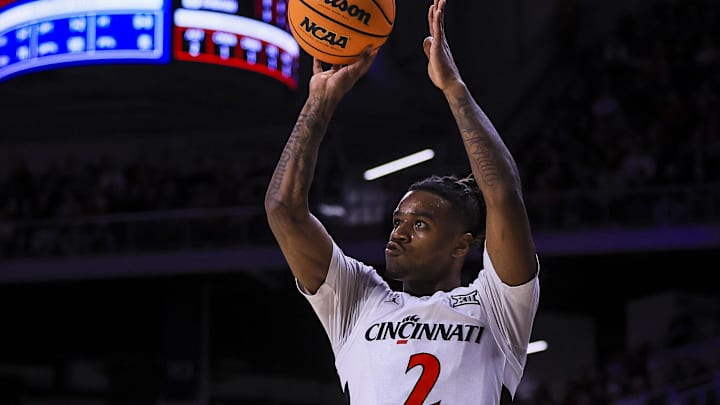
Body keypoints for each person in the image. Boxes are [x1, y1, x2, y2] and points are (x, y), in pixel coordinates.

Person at [264, 0, 540, 403]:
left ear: (462, 244)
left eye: (420, 224)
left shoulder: (495, 306)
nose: (399, 233)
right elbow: (283, 211)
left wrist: (455, 91)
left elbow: (503, 196)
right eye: (398, 221)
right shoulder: (360, 300)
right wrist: (319, 103)